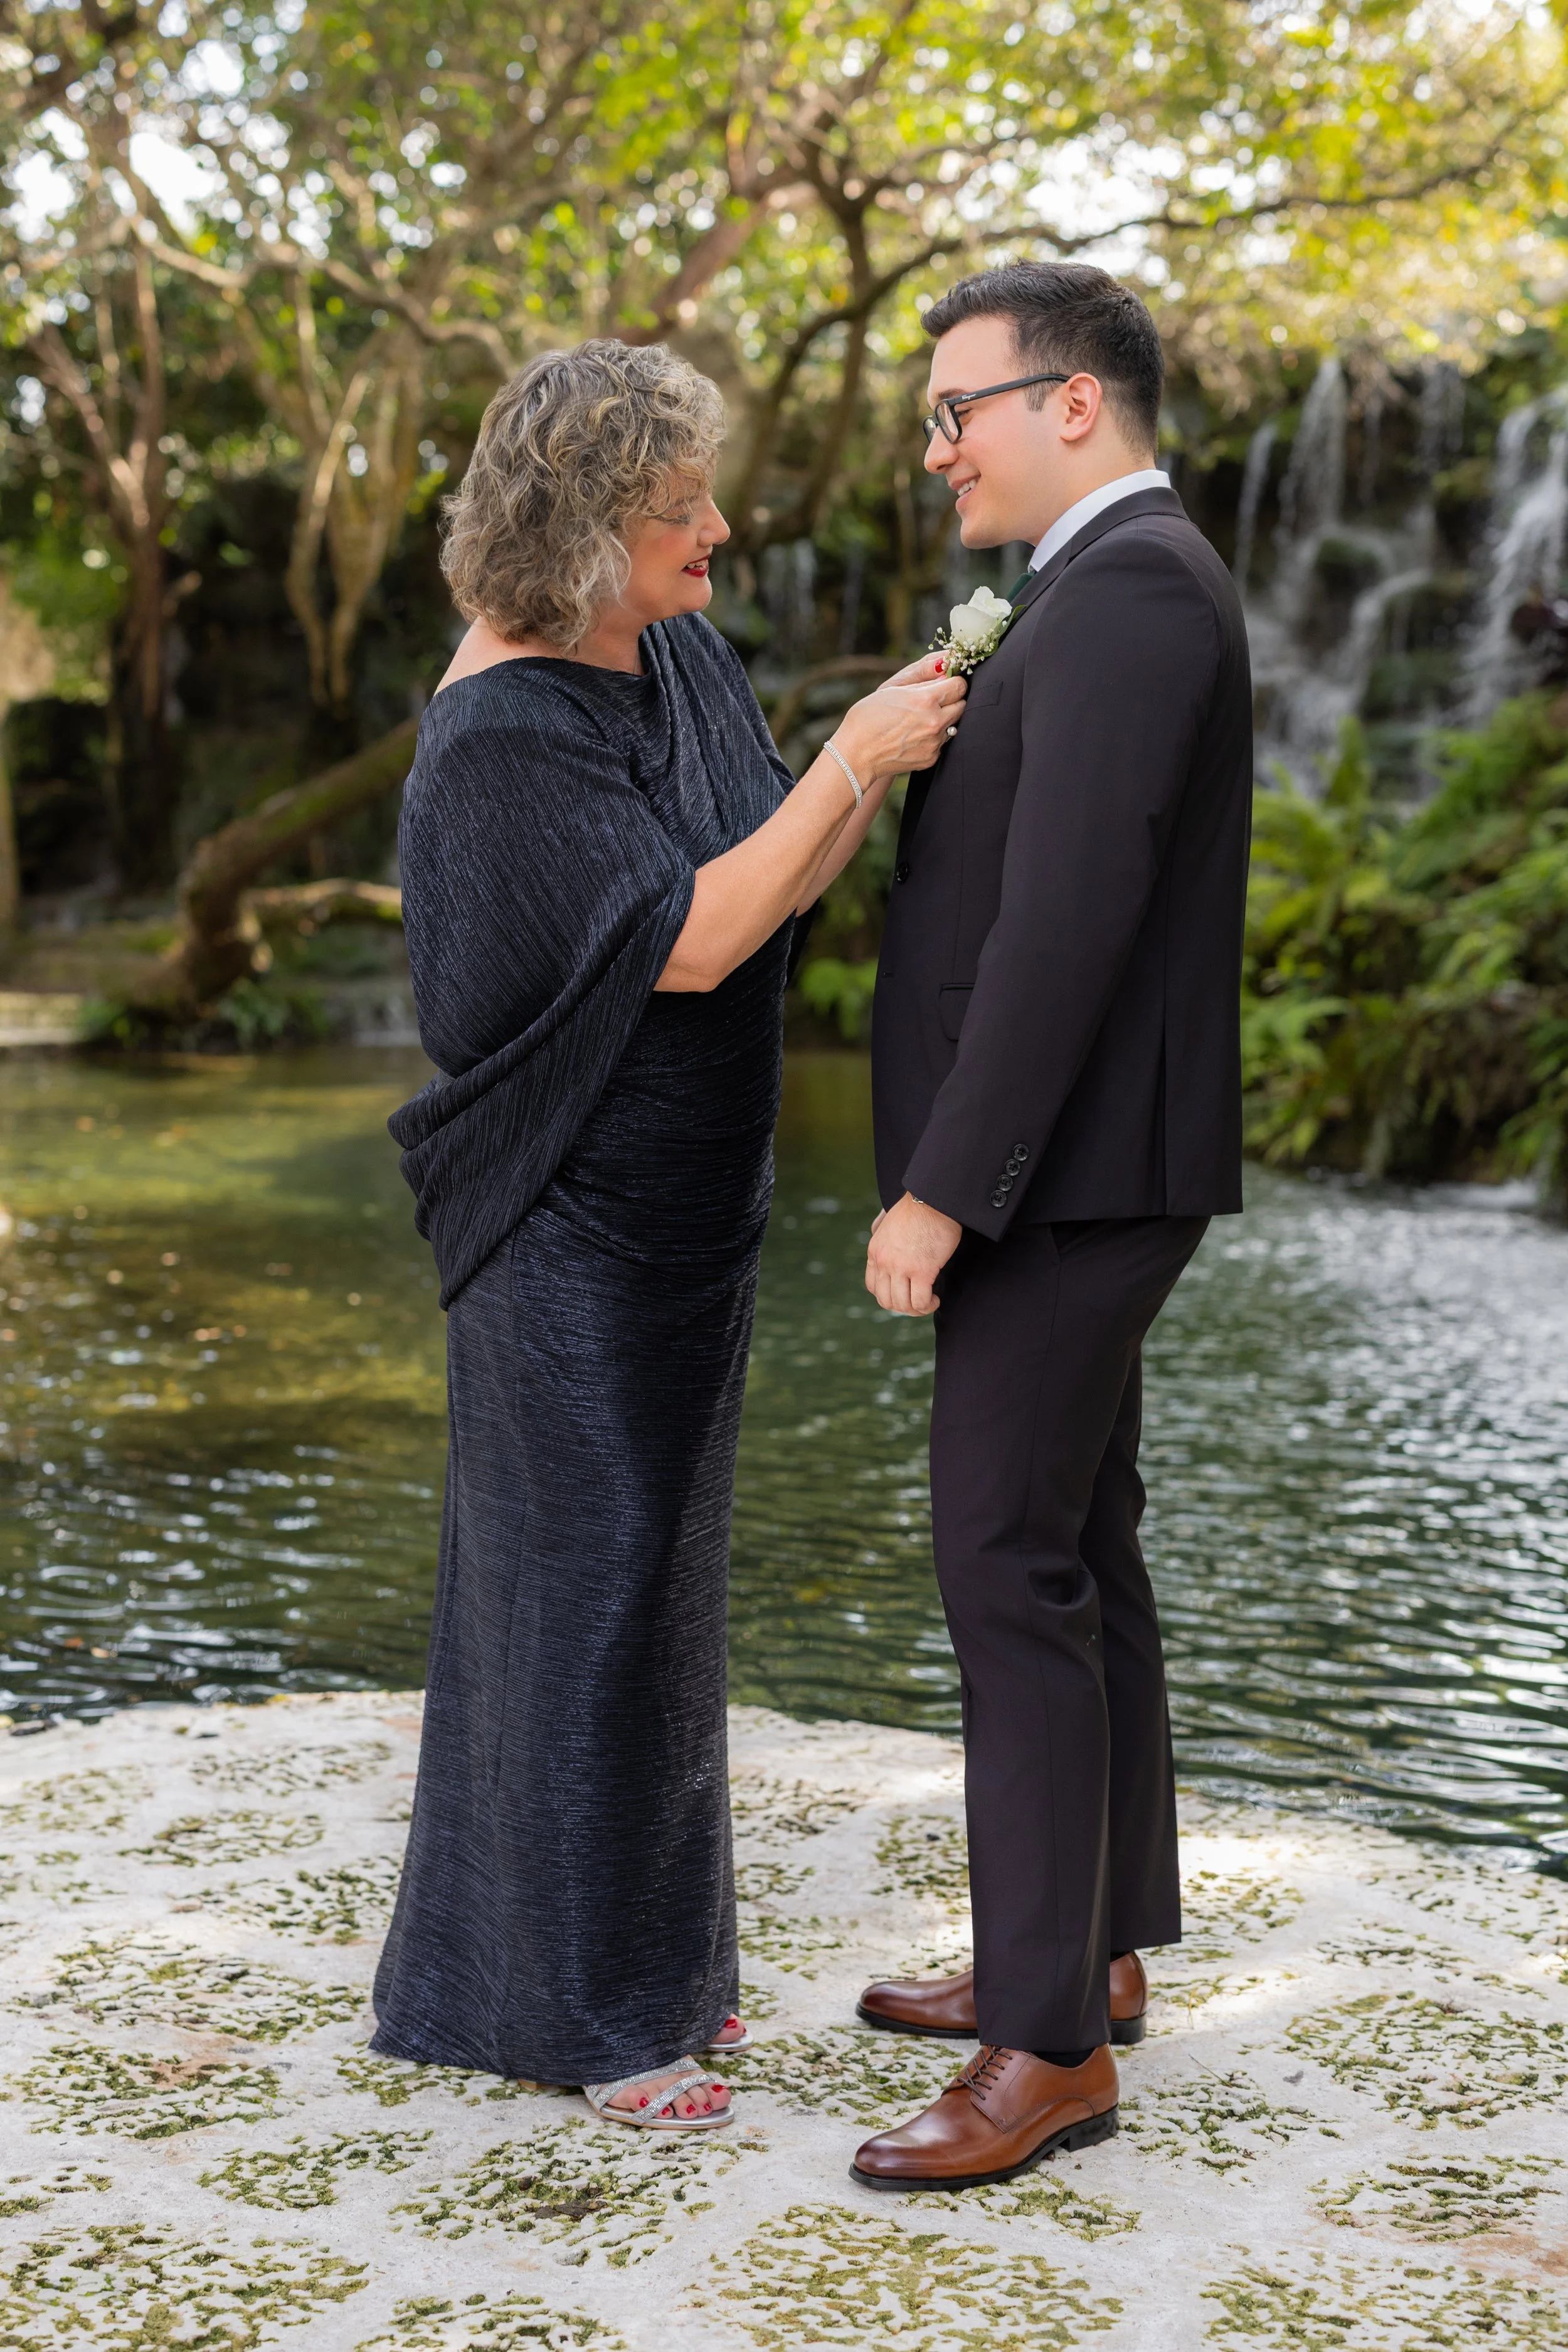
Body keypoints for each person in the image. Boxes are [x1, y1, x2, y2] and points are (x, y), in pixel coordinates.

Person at [371, 339, 964, 2131]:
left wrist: (871, 771)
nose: (715, 525)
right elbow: (692, 937)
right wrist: (855, 752)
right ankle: (577, 2018)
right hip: (567, 1225)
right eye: (671, 508)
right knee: (584, 1595)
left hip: (691, 1225)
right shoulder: (499, 736)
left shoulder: (674, 652)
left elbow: (774, 869)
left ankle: (650, 1969)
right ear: (575, 530)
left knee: (655, 1602)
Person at [850, 262, 1253, 2189]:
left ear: (1070, 402)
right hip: (1088, 1166)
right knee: (1081, 1545)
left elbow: (1067, 921)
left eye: (958, 409)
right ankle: (1084, 1958)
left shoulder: (1132, 594)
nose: (938, 448)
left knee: (1004, 1566)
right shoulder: (1105, 591)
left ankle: (1041, 2053)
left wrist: (944, 1182)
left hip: (1066, 1175)